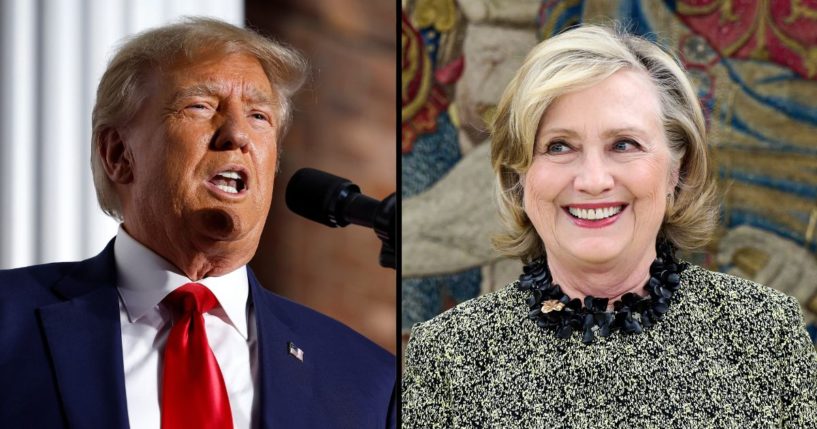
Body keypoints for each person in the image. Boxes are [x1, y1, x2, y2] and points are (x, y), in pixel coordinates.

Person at [402, 25, 817, 427]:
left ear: (678, 169)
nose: (593, 180)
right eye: (559, 146)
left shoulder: (766, 333)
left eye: (624, 145)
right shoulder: (447, 355)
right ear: (519, 175)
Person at [0, 18, 395, 429]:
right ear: (118, 154)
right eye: (201, 106)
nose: (237, 134)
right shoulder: (9, 320)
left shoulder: (367, 381)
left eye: (259, 116)